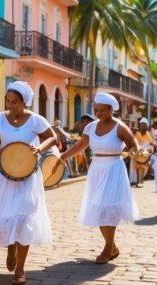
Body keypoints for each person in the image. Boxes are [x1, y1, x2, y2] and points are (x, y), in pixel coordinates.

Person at [0, 81, 57, 285]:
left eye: (15, 102)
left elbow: (52, 138)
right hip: (6, 176)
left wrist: (39, 149)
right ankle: (11, 248)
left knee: (24, 218)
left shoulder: (35, 120)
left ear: (24, 102)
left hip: (29, 177)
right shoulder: (0, 119)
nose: (10, 105)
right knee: (7, 216)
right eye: (8, 101)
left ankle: (20, 269)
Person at [60, 92, 140, 264]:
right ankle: (112, 247)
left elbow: (134, 145)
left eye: (103, 110)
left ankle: (107, 248)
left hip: (114, 169)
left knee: (108, 208)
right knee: (99, 209)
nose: (99, 114)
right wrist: (62, 157)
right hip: (97, 169)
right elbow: (81, 145)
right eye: (96, 110)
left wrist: (135, 153)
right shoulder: (90, 127)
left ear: (111, 110)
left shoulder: (120, 127)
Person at [129, 118, 153, 188]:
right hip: (135, 153)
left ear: (147, 127)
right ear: (140, 126)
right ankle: (133, 182)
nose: (143, 127)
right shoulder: (136, 133)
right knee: (134, 168)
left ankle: (139, 182)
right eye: (142, 126)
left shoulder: (148, 134)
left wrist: (150, 150)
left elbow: (151, 143)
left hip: (143, 154)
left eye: (145, 126)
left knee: (142, 167)